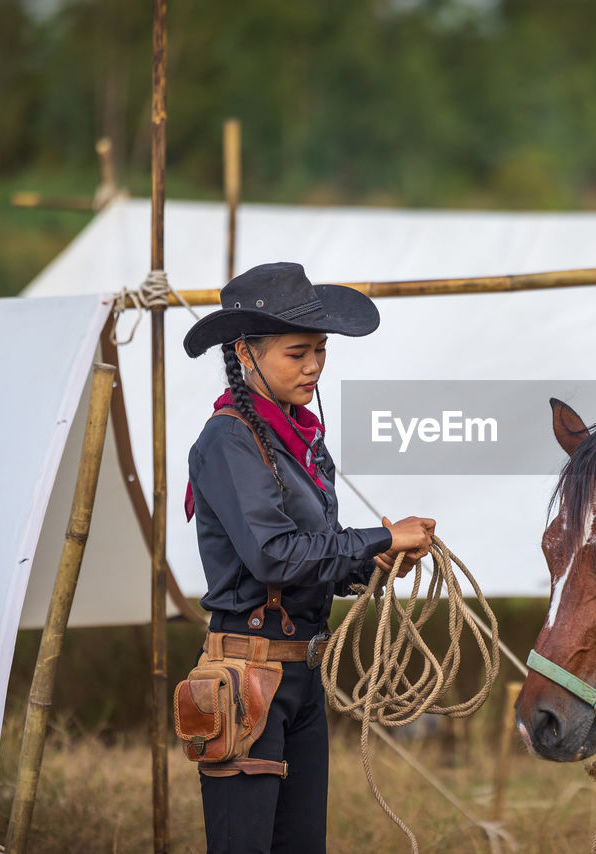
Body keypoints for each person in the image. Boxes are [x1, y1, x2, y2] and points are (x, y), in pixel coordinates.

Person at [182, 261, 434, 853]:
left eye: (319, 351)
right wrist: (377, 539)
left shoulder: (301, 439)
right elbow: (275, 557)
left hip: (300, 675)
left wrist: (370, 562)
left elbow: (315, 555)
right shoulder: (228, 438)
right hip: (246, 676)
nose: (314, 366)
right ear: (246, 353)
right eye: (298, 353)